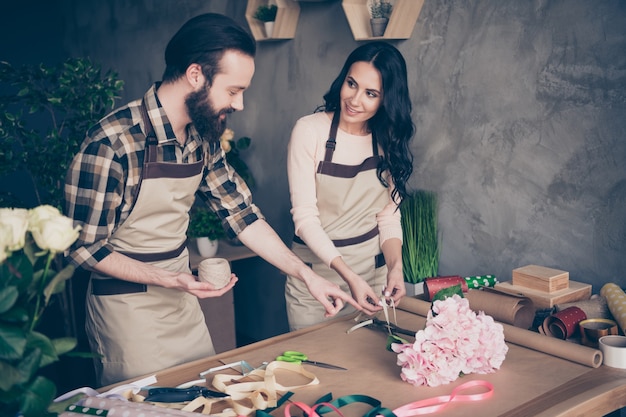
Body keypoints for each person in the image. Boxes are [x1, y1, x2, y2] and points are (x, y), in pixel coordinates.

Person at [64, 13, 361, 386]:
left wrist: (306, 275)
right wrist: (171, 279)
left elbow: (242, 215)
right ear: (195, 76)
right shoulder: (113, 143)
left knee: (206, 397)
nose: (239, 104)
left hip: (183, 304)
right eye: (234, 90)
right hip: (126, 312)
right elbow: (81, 248)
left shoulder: (201, 138)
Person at [285, 42, 415, 330]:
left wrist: (396, 268)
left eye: (371, 94)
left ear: (387, 100)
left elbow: (388, 215)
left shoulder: (387, 139)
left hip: (373, 279)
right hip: (316, 284)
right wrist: (348, 276)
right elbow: (305, 220)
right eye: (351, 84)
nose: (355, 100)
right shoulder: (310, 131)